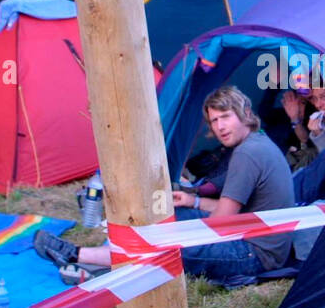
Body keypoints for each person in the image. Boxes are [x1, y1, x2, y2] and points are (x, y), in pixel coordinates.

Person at [33, 86, 294, 288]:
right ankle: (107, 258)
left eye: (225, 117)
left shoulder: (247, 154)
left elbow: (220, 223)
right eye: (214, 121)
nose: (220, 127)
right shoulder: (256, 143)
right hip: (251, 236)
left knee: (165, 244)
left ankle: (78, 255)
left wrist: (179, 232)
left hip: (255, 255)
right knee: (167, 219)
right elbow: (235, 209)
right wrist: (190, 203)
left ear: (245, 115)